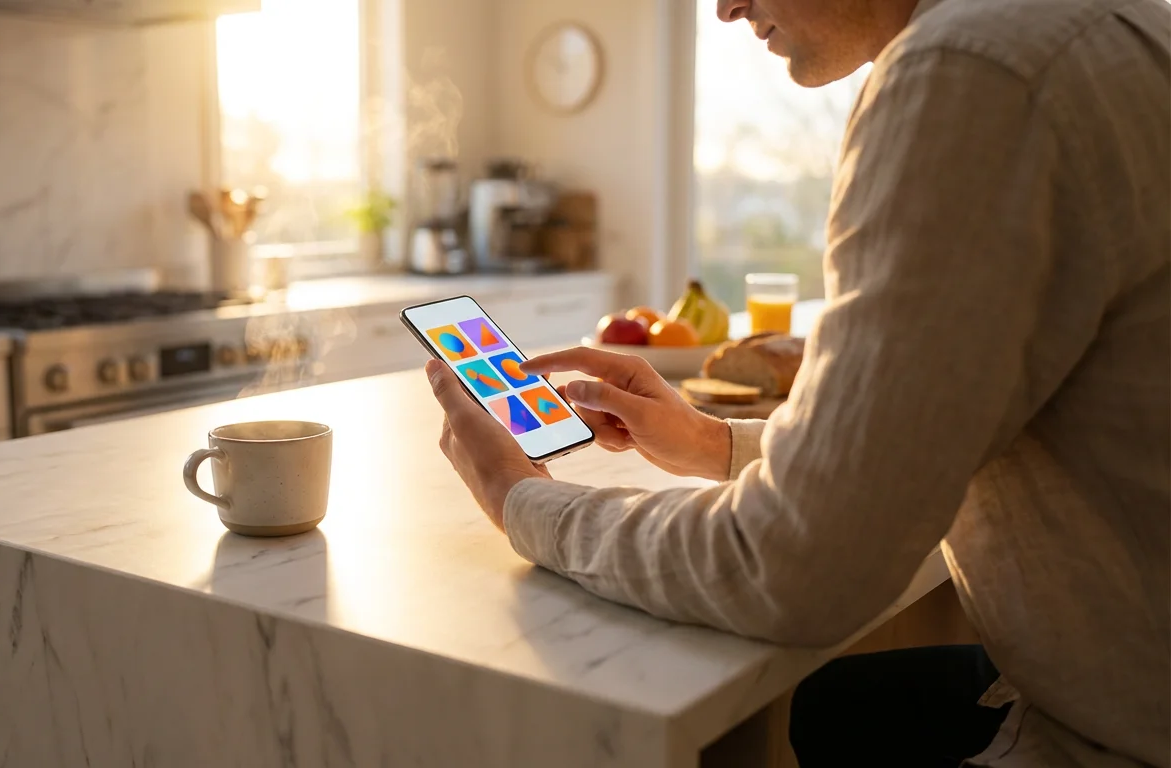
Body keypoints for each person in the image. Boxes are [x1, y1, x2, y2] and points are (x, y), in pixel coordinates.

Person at [423, 0, 1170, 764]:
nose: (724, 8)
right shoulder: (1087, 24)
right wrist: (713, 443)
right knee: (836, 711)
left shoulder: (971, 71)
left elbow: (798, 568)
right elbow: (913, 447)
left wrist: (525, 501)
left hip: (1116, 737)